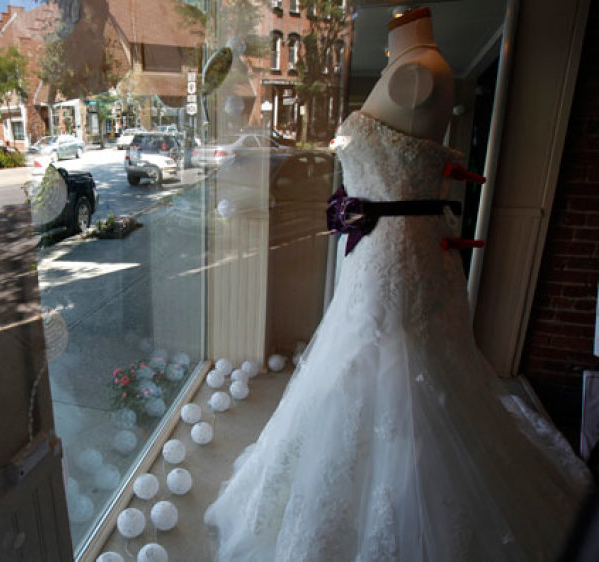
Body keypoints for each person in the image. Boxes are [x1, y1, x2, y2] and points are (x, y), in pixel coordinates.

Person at [204, 8, 590, 561]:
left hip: (394, 256)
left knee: (390, 363)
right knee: (358, 359)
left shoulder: (421, 73)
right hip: (375, 248)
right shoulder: (407, 68)